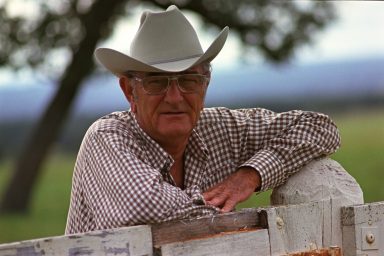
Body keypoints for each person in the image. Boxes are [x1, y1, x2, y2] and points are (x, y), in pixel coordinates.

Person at [65, 5, 340, 234]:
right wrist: (222, 208)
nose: (174, 97)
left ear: (205, 84)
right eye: (157, 82)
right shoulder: (107, 138)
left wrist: (251, 174)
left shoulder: (222, 128)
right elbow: (144, 207)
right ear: (129, 91)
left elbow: (320, 128)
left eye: (189, 80)